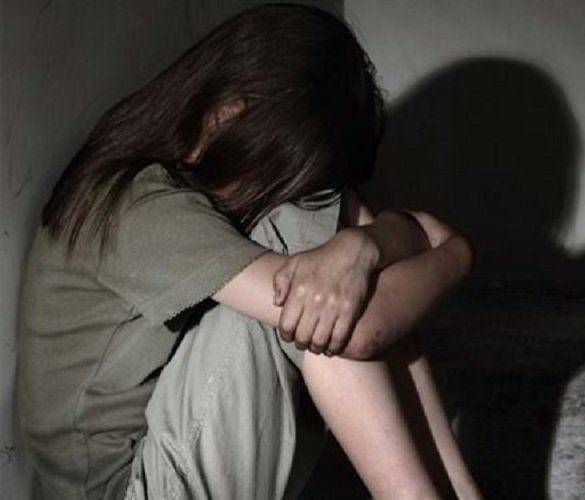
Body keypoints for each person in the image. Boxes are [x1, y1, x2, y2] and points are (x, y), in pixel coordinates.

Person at [17, 3, 482, 499]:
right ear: (227, 114)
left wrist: (366, 243)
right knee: (306, 277)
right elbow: (361, 330)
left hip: (159, 459)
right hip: (126, 490)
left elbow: (366, 247)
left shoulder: (166, 174)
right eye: (276, 172)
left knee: (320, 258)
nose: (272, 191)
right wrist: (454, 255)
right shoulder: (137, 209)